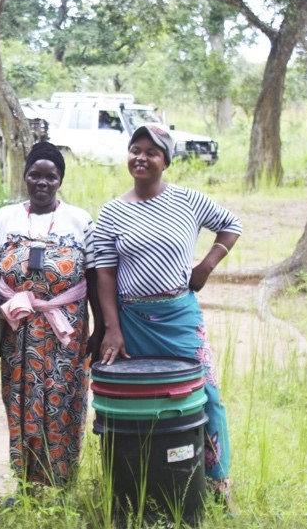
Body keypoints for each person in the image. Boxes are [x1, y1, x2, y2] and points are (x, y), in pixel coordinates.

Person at [92, 123, 241, 510]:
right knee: (139, 401)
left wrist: (206, 266)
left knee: (206, 395)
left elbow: (231, 225)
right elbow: (104, 273)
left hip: (179, 317)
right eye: (134, 149)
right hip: (132, 321)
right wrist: (112, 329)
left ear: (166, 161)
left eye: (151, 151)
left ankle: (217, 481)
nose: (141, 157)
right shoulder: (111, 212)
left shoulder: (188, 201)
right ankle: (148, 480)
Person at [0, 141, 102, 490]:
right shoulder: (2, 220)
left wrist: (99, 329)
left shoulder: (79, 220)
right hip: (16, 331)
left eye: (50, 176)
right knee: (19, 400)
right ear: (25, 177)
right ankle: (25, 484)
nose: (42, 182)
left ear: (60, 180)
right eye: (35, 174)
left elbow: (94, 279)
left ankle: (61, 484)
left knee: (64, 400)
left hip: (66, 332)